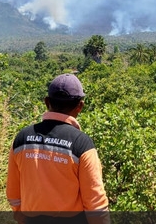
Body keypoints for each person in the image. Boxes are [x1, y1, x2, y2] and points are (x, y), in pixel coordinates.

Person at [6, 73, 110, 224]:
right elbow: (95, 204)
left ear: (47, 102)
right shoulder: (82, 144)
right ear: (80, 106)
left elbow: (13, 194)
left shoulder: (22, 139)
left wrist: (22, 217)